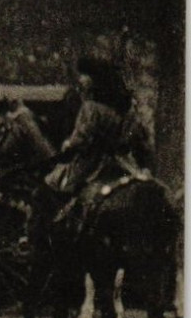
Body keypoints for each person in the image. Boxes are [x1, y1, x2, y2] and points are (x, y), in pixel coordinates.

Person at [40, 56, 146, 243]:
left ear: (93, 80)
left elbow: (80, 140)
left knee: (47, 186)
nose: (80, 80)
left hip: (91, 162)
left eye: (84, 75)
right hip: (121, 163)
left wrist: (67, 144)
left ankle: (53, 238)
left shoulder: (90, 108)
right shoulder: (124, 112)